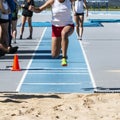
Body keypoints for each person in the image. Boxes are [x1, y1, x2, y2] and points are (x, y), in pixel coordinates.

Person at [29, 0, 74, 66]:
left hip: (68, 25)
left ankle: (64, 57)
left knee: (64, 33)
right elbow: (39, 9)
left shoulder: (69, 0)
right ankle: (62, 42)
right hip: (56, 28)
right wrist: (33, 9)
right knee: (54, 55)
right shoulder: (52, 1)